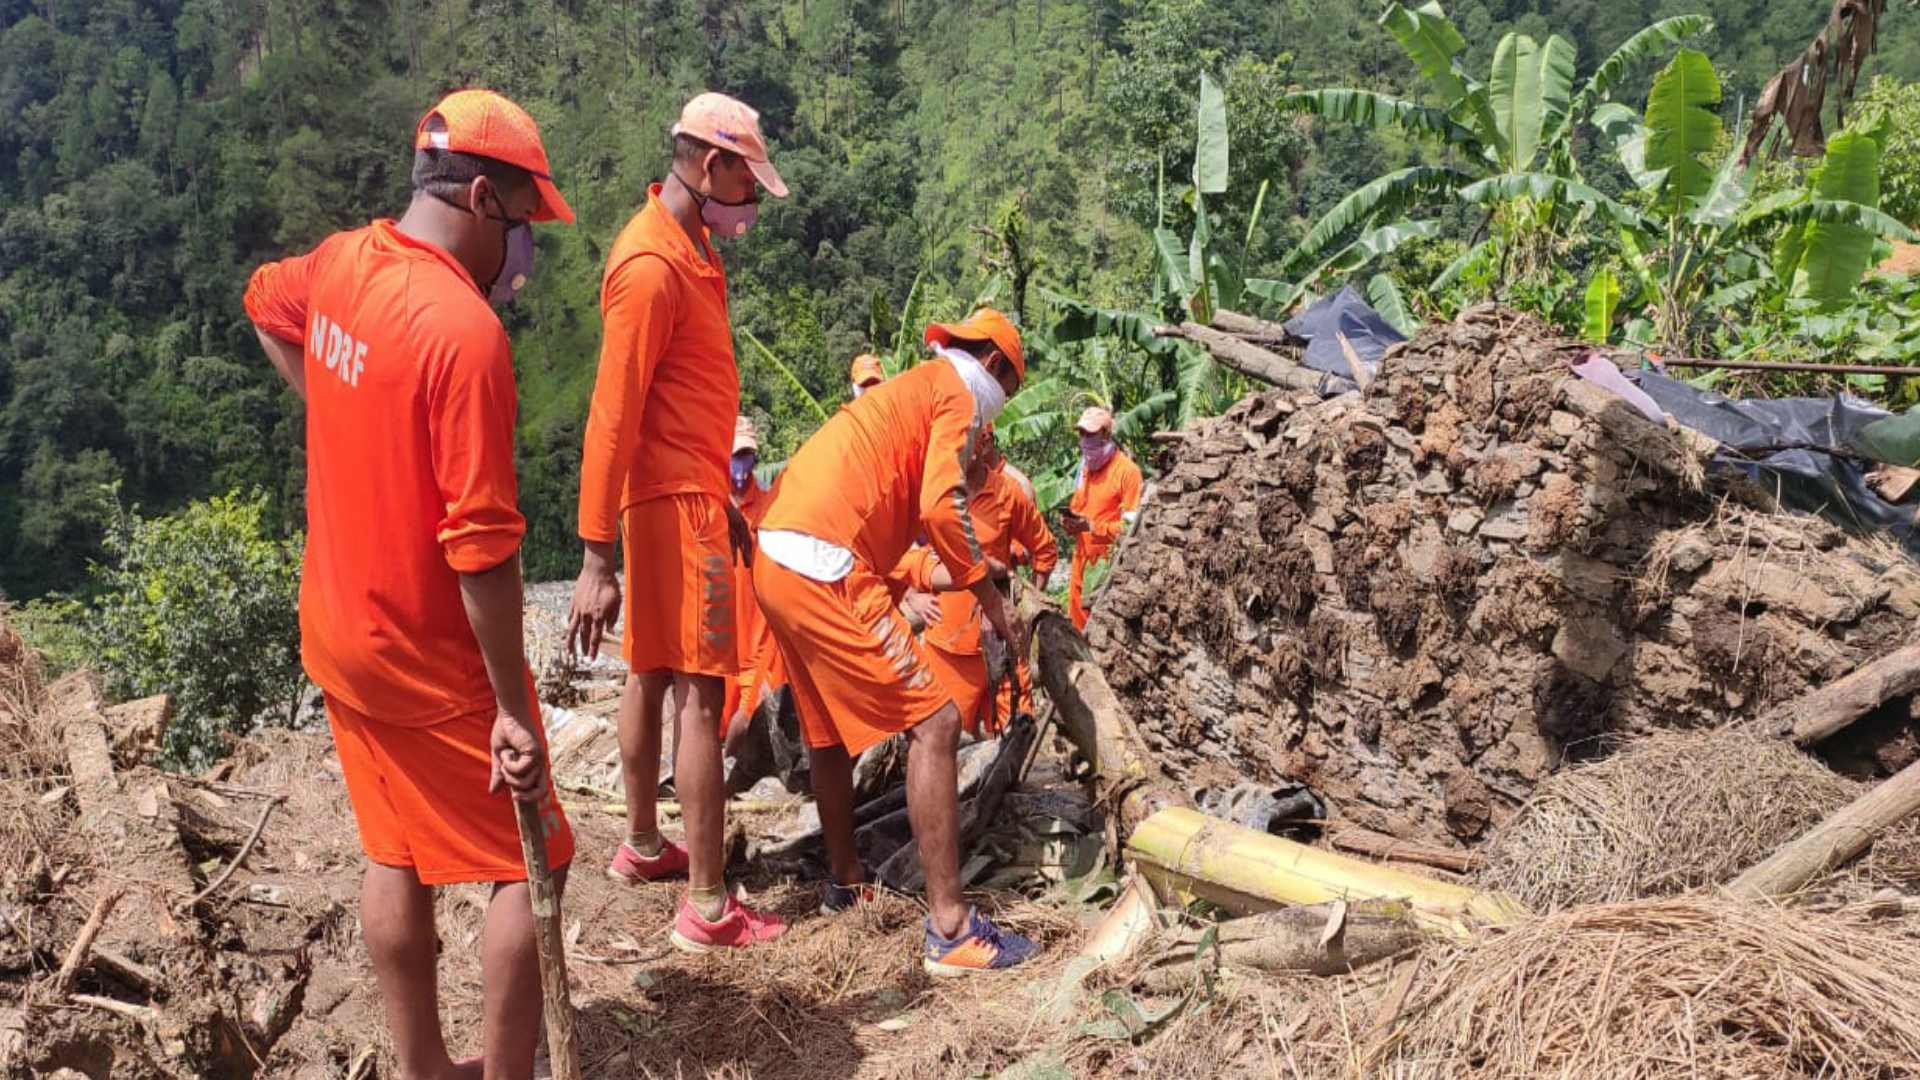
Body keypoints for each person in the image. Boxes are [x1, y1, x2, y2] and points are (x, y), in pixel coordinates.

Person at [242, 89, 573, 1080]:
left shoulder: (343, 264)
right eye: (521, 222)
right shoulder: (462, 338)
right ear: (479, 195)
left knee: (395, 853)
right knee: (533, 861)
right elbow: (482, 547)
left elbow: (265, 300)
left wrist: (334, 415)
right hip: (427, 659)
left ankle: (427, 1069)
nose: (524, 250)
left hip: (338, 632)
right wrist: (512, 708)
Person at [753, 308, 1041, 975]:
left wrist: (965, 576)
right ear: (996, 367)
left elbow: (897, 539)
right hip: (825, 563)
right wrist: (992, 602)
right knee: (936, 721)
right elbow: (943, 508)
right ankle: (950, 928)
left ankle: (845, 880)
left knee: (826, 733)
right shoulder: (957, 392)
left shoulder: (910, 395)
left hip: (783, 556)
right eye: (1011, 392)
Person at [568, 91, 789, 952]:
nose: (749, 203)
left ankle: (645, 844)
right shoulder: (653, 265)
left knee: (650, 671)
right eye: (744, 181)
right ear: (707, 165)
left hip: (686, 498)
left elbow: (680, 402)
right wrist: (593, 556)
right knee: (701, 692)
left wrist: (722, 502)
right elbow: (612, 413)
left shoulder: (685, 251)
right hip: (672, 506)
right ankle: (706, 904)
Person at [908, 430, 1058, 736]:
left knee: (1018, 734)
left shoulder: (1008, 493)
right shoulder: (933, 493)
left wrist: (1028, 604)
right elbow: (896, 550)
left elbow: (1045, 550)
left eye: (965, 442)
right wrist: (913, 596)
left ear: (984, 444)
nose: (955, 451)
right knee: (944, 742)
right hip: (948, 646)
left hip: (1000, 640)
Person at [1063, 406, 1142, 630]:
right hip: (1081, 563)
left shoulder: (1128, 472)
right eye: (1082, 434)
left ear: (1107, 434)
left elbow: (1131, 529)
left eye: (1091, 433)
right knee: (1078, 632)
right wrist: (1071, 523)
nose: (1085, 439)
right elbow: (1078, 506)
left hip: (1107, 571)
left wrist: (1093, 527)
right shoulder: (1084, 468)